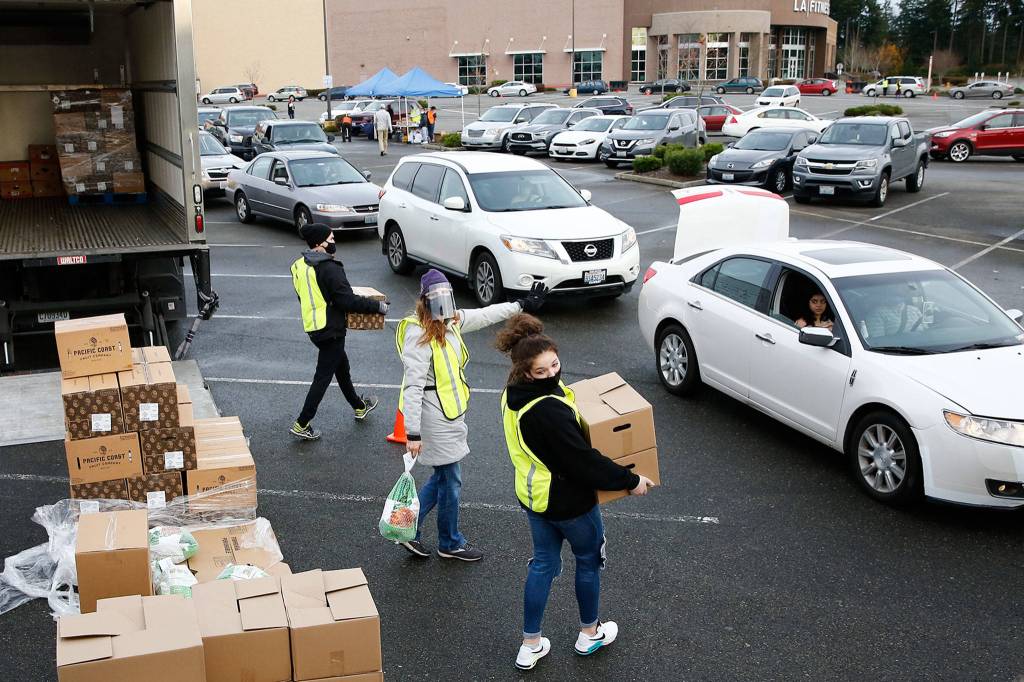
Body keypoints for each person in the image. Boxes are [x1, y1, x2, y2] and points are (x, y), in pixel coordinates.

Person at [496, 313, 654, 671]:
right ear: (525, 371)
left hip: (535, 499)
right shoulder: (548, 410)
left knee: (542, 565)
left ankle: (530, 644)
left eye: (555, 364)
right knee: (588, 561)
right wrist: (630, 481)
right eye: (542, 371)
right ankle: (589, 633)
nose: (553, 373)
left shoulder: (512, 396)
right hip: (569, 503)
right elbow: (582, 462)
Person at [397, 270, 548, 562]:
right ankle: (449, 542)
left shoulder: (449, 322)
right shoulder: (418, 332)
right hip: (433, 417)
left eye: (446, 299)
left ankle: (408, 530)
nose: (445, 307)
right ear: (424, 302)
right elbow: (413, 385)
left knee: (442, 478)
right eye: (437, 300)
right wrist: (412, 433)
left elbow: (484, 315)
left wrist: (520, 306)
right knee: (450, 479)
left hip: (449, 413)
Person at [289, 223, 389, 440]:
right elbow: (346, 300)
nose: (334, 242)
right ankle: (302, 423)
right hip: (331, 330)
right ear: (319, 243)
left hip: (313, 328)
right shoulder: (330, 268)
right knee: (323, 377)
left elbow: (302, 296)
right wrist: (377, 307)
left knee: (341, 368)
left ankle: (359, 406)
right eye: (331, 238)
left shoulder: (298, 266)